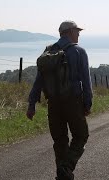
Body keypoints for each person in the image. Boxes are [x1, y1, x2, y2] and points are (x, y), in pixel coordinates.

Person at [26, 20, 93, 180]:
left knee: (60, 141)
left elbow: (39, 81)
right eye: (77, 31)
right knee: (81, 135)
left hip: (53, 104)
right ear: (69, 32)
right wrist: (87, 104)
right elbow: (86, 81)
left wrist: (31, 104)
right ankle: (66, 167)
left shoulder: (48, 52)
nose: (78, 34)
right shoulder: (79, 52)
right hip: (73, 102)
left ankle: (62, 175)